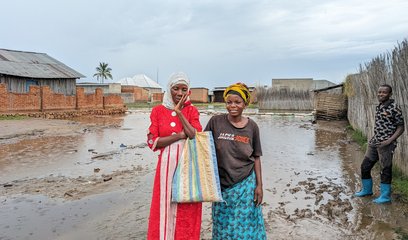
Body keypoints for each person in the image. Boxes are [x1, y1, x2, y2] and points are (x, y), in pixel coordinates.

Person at [204, 83, 267, 239]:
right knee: (223, 226)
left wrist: (259, 186)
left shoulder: (252, 127)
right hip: (222, 185)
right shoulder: (215, 122)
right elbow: (202, 147)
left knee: (246, 226)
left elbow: (256, 157)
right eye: (229, 102)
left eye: (237, 102)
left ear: (245, 104)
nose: (233, 106)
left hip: (245, 185)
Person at [146, 72, 202, 239]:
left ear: (188, 91)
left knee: (187, 203)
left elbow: (194, 134)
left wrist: (179, 112)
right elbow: (152, 141)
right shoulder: (157, 111)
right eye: (175, 88)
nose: (179, 93)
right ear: (169, 89)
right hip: (166, 167)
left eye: (184, 89)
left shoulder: (192, 111)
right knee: (164, 203)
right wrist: (178, 136)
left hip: (188, 165)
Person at [354, 84, 405, 204]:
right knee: (365, 166)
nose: (381, 94)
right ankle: (367, 191)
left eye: (384, 92)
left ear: (390, 94)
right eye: (379, 92)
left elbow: (401, 127)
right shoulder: (379, 106)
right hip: (374, 142)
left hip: (386, 144)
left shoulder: (394, 108)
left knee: (385, 169)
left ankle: (385, 197)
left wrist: (389, 140)